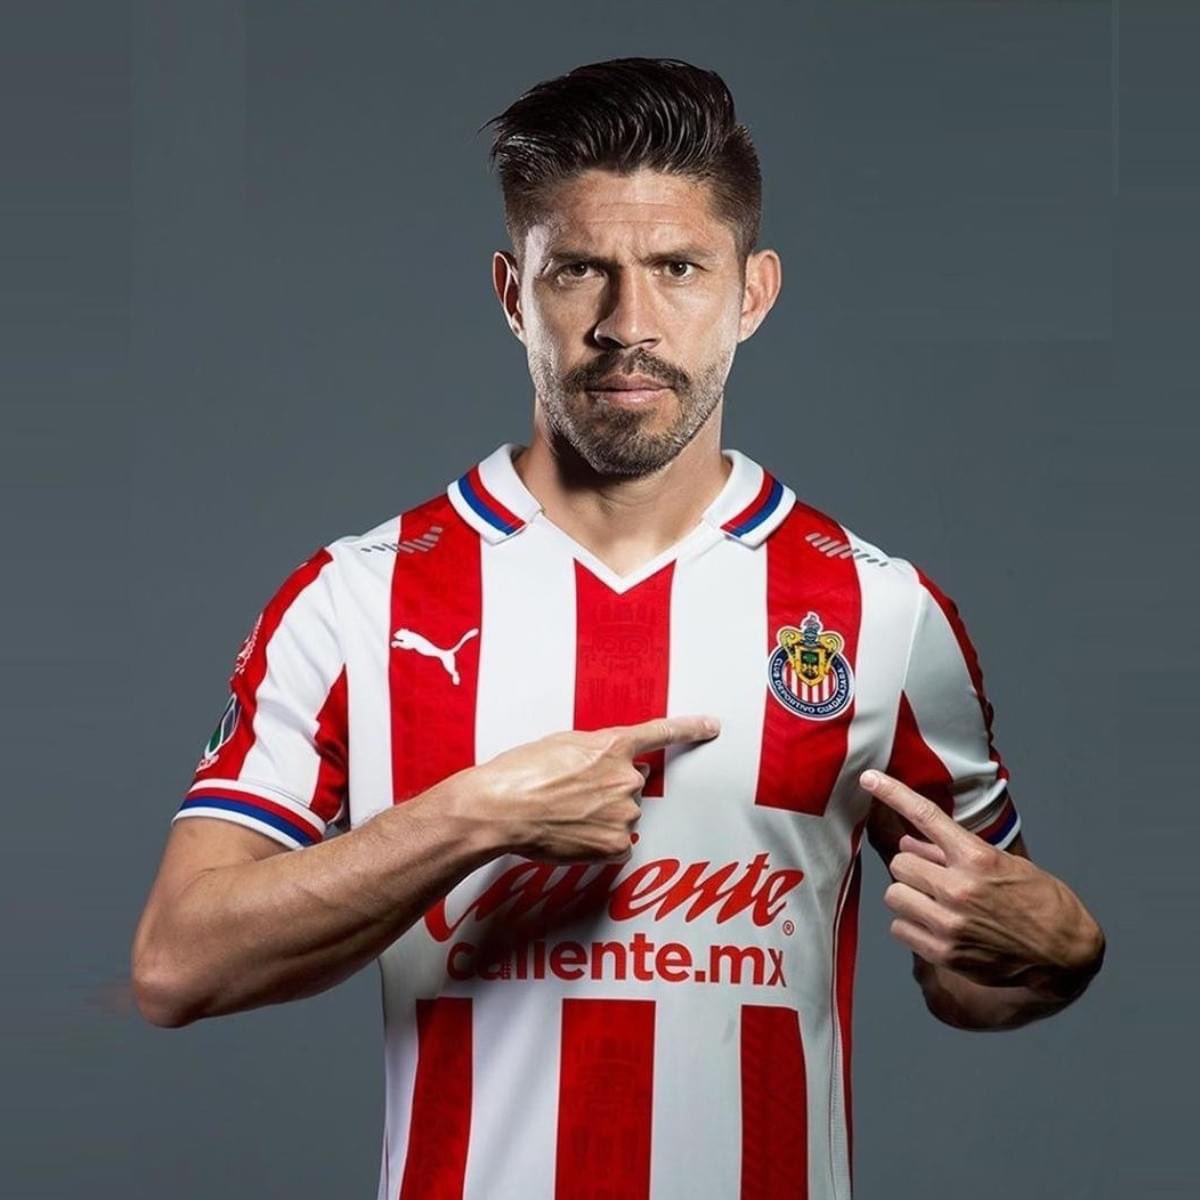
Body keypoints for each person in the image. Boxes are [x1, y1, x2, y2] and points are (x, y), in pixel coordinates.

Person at [131, 57, 1105, 1200]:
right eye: (579, 271)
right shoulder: (357, 601)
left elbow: (973, 978)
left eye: (678, 269)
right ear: (513, 294)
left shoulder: (882, 615)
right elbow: (177, 964)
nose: (626, 325)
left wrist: (1066, 951)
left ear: (753, 293)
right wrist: (472, 816)